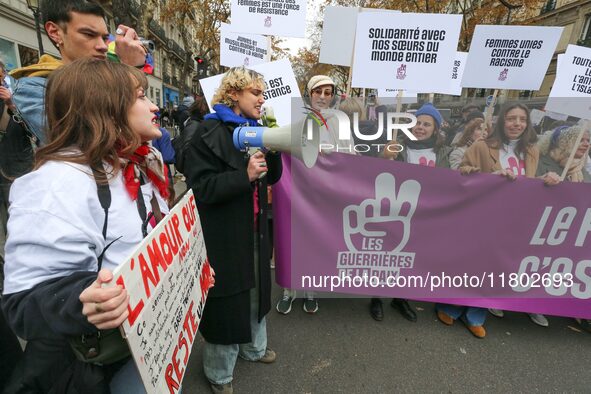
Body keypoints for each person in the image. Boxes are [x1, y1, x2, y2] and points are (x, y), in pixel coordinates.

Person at [2, 58, 168, 393]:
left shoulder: (134, 163)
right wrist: (81, 300)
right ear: (106, 107)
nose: (153, 107)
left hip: (149, 345)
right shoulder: (55, 183)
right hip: (101, 367)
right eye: (140, 96)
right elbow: (22, 303)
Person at [184, 67, 281, 394]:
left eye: (263, 93)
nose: (262, 99)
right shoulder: (206, 133)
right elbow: (201, 190)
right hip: (224, 236)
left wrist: (275, 148)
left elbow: (274, 178)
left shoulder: (257, 130)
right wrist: (244, 176)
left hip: (255, 229)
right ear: (234, 94)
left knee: (257, 291)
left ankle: (254, 349)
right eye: (256, 92)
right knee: (226, 302)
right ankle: (219, 373)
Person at [460, 102, 557, 327]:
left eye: (522, 119)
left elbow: (533, 182)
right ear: (502, 121)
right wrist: (491, 176)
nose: (517, 124)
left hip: (515, 218)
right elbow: (462, 172)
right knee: (474, 261)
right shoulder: (482, 146)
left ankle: (477, 311)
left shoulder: (532, 151)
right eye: (511, 118)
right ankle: (451, 304)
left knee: (496, 264)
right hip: (484, 214)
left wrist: (550, 178)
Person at [380, 103, 452, 323]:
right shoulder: (398, 146)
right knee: (386, 255)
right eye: (417, 122)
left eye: (426, 124)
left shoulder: (444, 152)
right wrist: (384, 156)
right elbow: (374, 172)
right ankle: (376, 297)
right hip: (398, 209)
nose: (420, 127)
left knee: (409, 257)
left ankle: (400, 298)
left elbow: (451, 180)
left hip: (427, 214)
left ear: (435, 129)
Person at [536, 123, 591, 332]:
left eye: (588, 140)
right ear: (566, 141)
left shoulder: (582, 169)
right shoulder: (544, 162)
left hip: (570, 229)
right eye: (582, 139)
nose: (586, 144)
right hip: (543, 225)